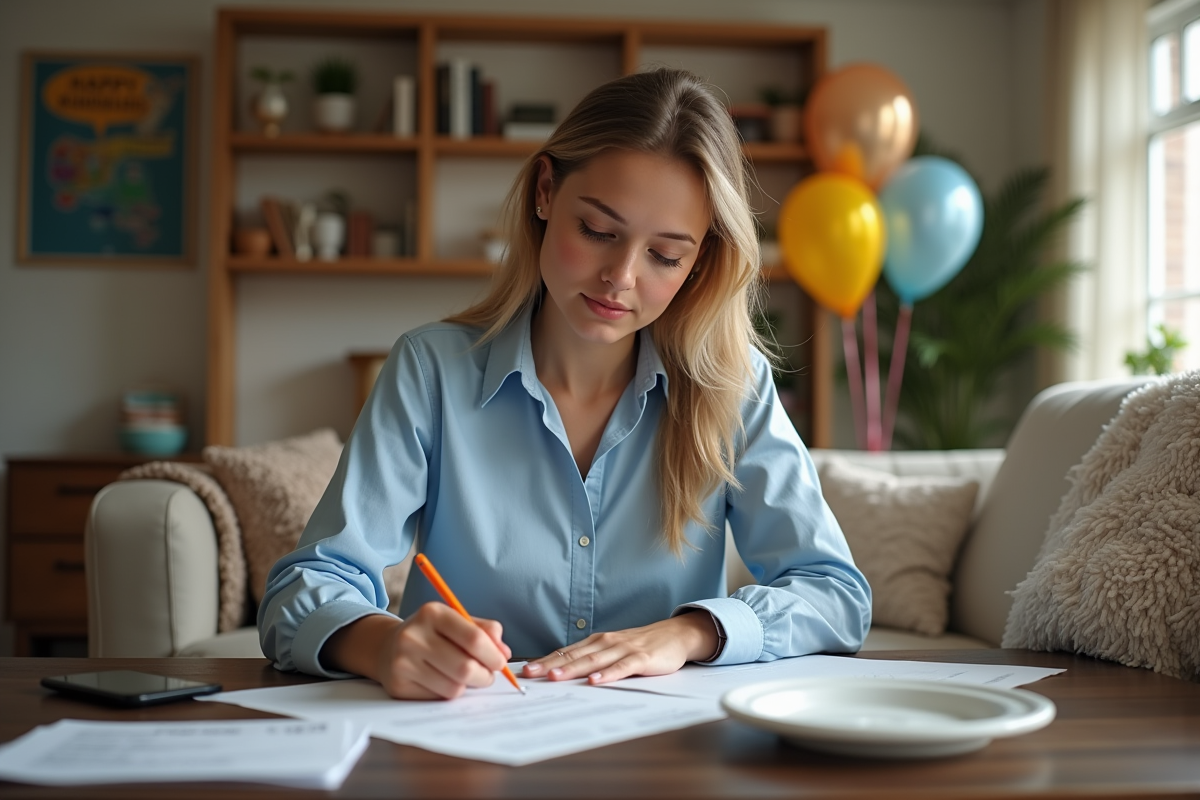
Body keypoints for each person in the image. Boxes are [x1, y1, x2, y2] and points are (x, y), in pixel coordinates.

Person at [258, 67, 871, 700]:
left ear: (700, 263)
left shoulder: (733, 385)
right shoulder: (430, 371)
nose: (621, 277)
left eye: (665, 255)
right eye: (599, 232)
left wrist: (689, 633)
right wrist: (386, 645)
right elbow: (303, 590)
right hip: (468, 748)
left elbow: (836, 594)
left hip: (665, 751)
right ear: (545, 191)